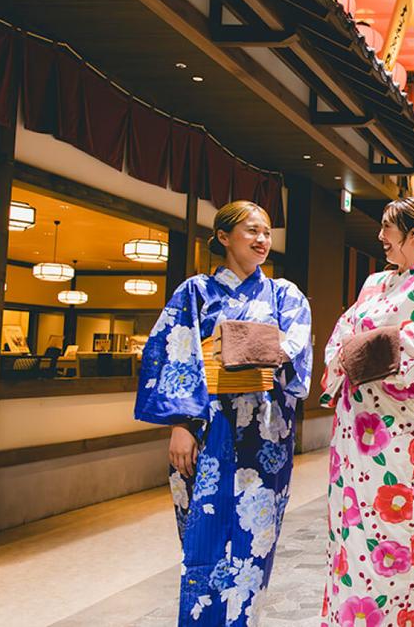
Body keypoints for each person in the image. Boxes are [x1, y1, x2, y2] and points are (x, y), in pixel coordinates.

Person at [135, 200, 312, 626]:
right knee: (203, 535)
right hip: (206, 425)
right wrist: (181, 424)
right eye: (251, 230)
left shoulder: (284, 294)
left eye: (267, 232)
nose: (262, 240)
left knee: (256, 541)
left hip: (265, 432)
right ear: (223, 237)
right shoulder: (194, 292)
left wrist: (241, 349)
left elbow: (294, 349)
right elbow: (175, 355)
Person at [319, 197, 414, 626]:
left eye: (388, 228)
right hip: (353, 422)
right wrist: (368, 348)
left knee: (397, 520)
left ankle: (406, 615)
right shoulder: (374, 284)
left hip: (399, 423)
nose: (381, 237)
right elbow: (341, 337)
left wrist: (370, 348)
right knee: (351, 522)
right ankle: (355, 615)